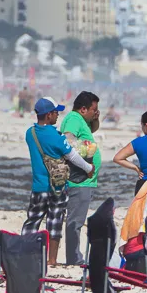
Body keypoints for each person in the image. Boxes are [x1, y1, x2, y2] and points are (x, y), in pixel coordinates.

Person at [22, 97, 94, 266]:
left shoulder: (30, 134)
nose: (58, 116)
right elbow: (72, 156)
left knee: (32, 220)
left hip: (38, 187)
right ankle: (52, 260)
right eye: (56, 112)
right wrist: (88, 168)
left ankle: (25, 255)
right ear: (48, 115)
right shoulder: (55, 136)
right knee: (54, 222)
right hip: (58, 187)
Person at [60, 91, 101, 266]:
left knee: (77, 220)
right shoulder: (74, 119)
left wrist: (96, 119)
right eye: (94, 110)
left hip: (85, 179)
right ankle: (74, 258)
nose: (95, 112)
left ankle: (74, 256)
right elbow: (68, 141)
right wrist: (87, 161)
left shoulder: (80, 120)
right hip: (80, 179)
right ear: (83, 109)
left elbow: (91, 129)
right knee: (75, 221)